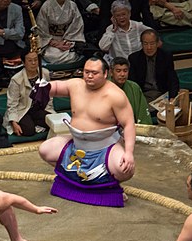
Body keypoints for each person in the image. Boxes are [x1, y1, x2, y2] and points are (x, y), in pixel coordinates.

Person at [38, 57, 135, 207]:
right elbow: (56, 87)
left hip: (104, 146)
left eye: (94, 73)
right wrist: (43, 87)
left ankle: (111, 186)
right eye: (86, 72)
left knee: (124, 168)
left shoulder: (115, 96)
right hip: (76, 144)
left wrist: (128, 153)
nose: (89, 76)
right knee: (45, 150)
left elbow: (128, 125)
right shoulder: (76, 85)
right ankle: (70, 179)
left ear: (105, 74)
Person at [3, 51, 54, 136]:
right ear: (23, 62)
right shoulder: (16, 79)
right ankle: (29, 122)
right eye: (30, 60)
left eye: (35, 60)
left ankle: (33, 121)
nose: (33, 63)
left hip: (38, 108)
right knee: (28, 131)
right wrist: (14, 122)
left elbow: (49, 95)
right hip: (22, 109)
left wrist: (49, 111)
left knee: (54, 123)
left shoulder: (44, 73)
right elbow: (12, 104)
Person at [128, 29, 179, 104]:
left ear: (158, 43)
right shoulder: (134, 58)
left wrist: (172, 97)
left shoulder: (166, 56)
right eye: (145, 44)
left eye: (152, 43)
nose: (149, 47)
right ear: (141, 44)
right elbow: (132, 83)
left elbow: (172, 78)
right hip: (144, 94)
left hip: (162, 92)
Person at [36, 0, 85, 65]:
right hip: (50, 41)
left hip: (68, 39)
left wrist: (66, 42)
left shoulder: (72, 5)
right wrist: (53, 42)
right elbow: (41, 27)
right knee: (51, 55)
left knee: (72, 55)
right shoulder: (47, 5)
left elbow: (77, 25)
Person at [110, 56, 152, 125]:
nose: (122, 74)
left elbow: (143, 114)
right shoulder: (103, 88)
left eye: (125, 71)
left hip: (131, 128)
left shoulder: (134, 87)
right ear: (111, 72)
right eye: (118, 71)